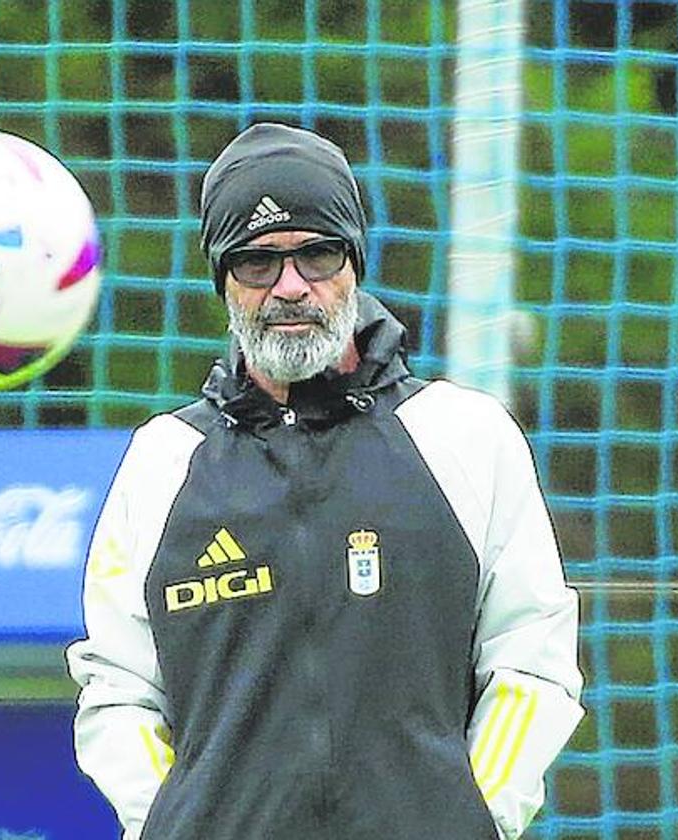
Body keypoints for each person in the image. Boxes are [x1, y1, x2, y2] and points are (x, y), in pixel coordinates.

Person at [66, 122, 584, 840]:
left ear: (354, 263)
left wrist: (472, 818)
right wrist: (175, 824)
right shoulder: (162, 461)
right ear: (222, 280)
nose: (290, 286)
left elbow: (532, 659)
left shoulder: (465, 436)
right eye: (257, 263)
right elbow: (120, 691)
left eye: (317, 253)